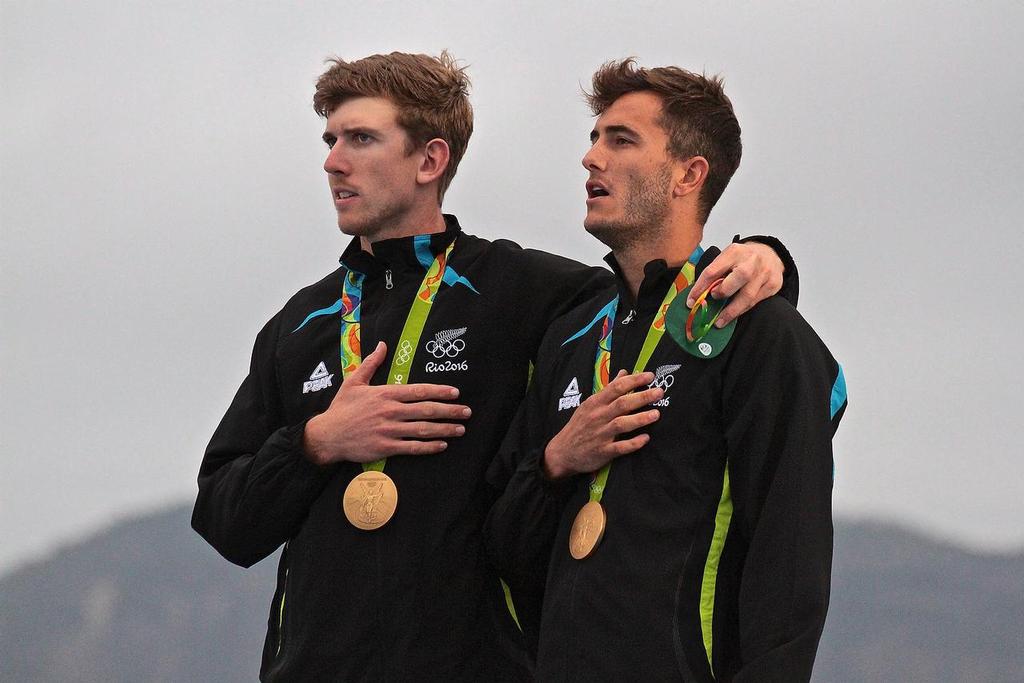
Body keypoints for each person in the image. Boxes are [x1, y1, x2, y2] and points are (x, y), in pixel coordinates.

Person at [190, 51, 796, 681]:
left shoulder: (526, 291)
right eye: (331, 139)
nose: (333, 161)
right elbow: (224, 522)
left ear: (430, 160)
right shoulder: (300, 325)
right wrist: (316, 441)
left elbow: (652, 299)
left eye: (361, 138)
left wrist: (765, 257)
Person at [485, 59, 847, 682]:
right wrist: (553, 464)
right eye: (594, 137)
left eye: (620, 140)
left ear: (688, 173)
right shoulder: (570, 337)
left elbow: (790, 558)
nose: (591, 158)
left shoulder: (759, 332)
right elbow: (503, 549)